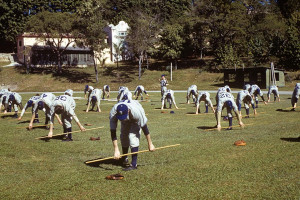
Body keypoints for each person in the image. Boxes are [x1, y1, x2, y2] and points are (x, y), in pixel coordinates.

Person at [109, 100, 155, 171]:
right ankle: (124, 159)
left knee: (132, 137)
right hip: (128, 115)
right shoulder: (113, 113)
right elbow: (113, 131)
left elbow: (144, 128)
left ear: (128, 111)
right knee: (123, 136)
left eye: (123, 117)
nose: (122, 119)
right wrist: (116, 149)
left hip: (135, 116)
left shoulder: (136, 113)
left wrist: (150, 144)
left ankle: (134, 164)